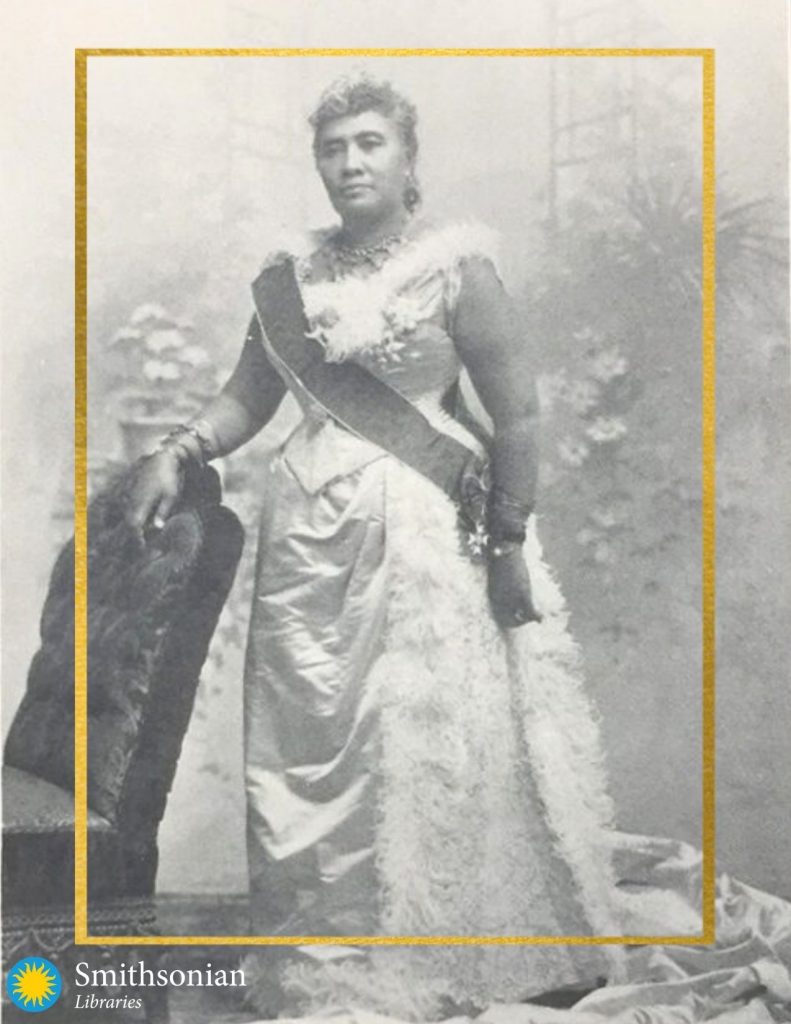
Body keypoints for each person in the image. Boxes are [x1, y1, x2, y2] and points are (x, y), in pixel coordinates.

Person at [125, 75, 791, 1022]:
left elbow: (516, 413)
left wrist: (510, 540)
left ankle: (441, 953)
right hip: (307, 544)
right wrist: (181, 447)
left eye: (369, 144)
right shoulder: (287, 276)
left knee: (427, 740)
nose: (349, 163)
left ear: (407, 160)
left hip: (426, 535)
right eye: (332, 148)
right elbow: (249, 395)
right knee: (310, 746)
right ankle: (327, 961)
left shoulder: (457, 267)